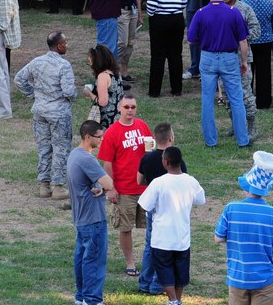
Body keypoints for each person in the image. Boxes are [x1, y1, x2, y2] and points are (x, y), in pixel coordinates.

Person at [214, 150, 273, 304]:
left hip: (237, 277)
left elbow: (218, 238)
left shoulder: (230, 209)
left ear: (247, 188)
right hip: (265, 280)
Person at [138, 146, 205, 305]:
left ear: (166, 162)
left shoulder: (158, 183)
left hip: (162, 237)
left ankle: (173, 300)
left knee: (164, 270)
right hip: (182, 237)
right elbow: (201, 199)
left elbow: (144, 205)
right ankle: (177, 299)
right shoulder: (191, 181)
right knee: (180, 272)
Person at [187, 0, 251, 147]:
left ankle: (210, 141)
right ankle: (243, 139)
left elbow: (191, 39)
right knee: (236, 99)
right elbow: (243, 41)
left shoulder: (200, 13)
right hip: (229, 58)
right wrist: (244, 61)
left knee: (207, 99)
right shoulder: (233, 12)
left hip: (208, 57)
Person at [15, 31, 77, 198]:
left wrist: (34, 95)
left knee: (43, 148)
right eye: (65, 43)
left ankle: (44, 185)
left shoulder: (37, 62)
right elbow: (69, 91)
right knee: (61, 148)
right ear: (59, 46)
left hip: (40, 111)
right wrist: (74, 95)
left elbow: (19, 79)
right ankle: (58, 186)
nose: (67, 45)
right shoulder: (64, 65)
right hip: (58, 113)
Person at [97, 94, 150, 277]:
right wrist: (111, 188)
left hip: (145, 189)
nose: (130, 110)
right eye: (126, 107)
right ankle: (130, 262)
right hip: (124, 190)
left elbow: (151, 151)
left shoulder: (142, 126)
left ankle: (150, 261)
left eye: (133, 107)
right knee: (125, 228)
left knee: (151, 227)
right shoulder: (112, 132)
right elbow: (107, 164)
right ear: (120, 108)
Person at [136, 122, 187, 295]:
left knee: (150, 245)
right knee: (165, 247)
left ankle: (145, 281)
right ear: (171, 138)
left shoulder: (147, 159)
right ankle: (158, 284)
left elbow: (139, 180)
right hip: (171, 209)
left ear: (155, 138)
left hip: (152, 207)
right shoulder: (177, 161)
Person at [67, 120, 114, 305]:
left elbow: (86, 184)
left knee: (82, 258)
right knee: (94, 260)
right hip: (93, 218)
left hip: (81, 217)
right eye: (99, 137)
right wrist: (105, 187)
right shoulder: (87, 158)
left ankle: (81, 296)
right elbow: (109, 183)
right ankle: (92, 299)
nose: (101, 140)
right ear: (87, 137)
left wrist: (99, 189)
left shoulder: (74, 154)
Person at [221, 0, 260, 137]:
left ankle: (252, 127)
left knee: (245, 94)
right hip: (222, 58)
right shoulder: (218, 9)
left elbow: (256, 30)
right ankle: (235, 124)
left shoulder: (244, 8)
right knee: (226, 94)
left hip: (241, 58)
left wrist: (241, 36)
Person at [146, 0, 188, 98]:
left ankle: (155, 90)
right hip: (177, 19)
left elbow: (151, 4)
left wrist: (153, 15)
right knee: (175, 55)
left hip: (160, 20)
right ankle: (177, 88)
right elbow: (184, 3)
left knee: (158, 55)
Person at [244, 0, 273, 110]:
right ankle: (264, 102)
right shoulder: (269, 3)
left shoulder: (242, 4)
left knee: (247, 71)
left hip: (248, 41)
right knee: (264, 71)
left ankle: (247, 100)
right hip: (265, 40)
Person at [81, 44, 123, 130]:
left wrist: (89, 93)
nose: (88, 59)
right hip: (118, 117)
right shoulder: (116, 73)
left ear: (98, 60)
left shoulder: (103, 76)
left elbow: (103, 102)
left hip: (107, 120)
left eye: (91, 57)